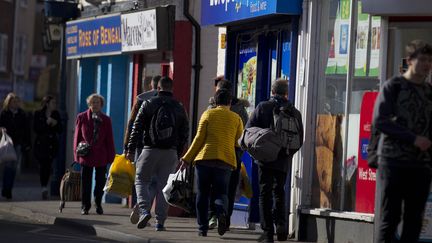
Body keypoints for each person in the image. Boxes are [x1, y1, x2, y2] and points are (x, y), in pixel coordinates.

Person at [373, 40, 432, 243]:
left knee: (414, 219)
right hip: (393, 161)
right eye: (422, 59)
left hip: (421, 164)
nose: (427, 65)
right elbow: (380, 121)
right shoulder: (394, 87)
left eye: (430, 61)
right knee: (390, 217)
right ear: (410, 61)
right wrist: (413, 138)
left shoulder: (429, 92)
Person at [126, 76, 189, 231]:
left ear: (158, 89)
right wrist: (179, 151)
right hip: (170, 152)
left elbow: (136, 127)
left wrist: (130, 149)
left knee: (141, 180)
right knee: (164, 186)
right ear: (171, 89)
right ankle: (160, 222)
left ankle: (145, 211)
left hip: (149, 149)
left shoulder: (148, 103)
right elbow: (185, 131)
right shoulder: (179, 106)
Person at [246, 79, 303, 243]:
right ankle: (282, 227)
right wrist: (287, 154)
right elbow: (300, 139)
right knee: (279, 191)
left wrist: (256, 151)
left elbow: (248, 132)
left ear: (272, 91)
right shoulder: (294, 112)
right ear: (286, 93)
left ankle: (268, 232)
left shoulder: (262, 107)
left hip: (264, 159)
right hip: (283, 159)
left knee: (265, 194)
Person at [181, 89, 244, 237]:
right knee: (221, 193)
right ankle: (221, 211)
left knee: (203, 194)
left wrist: (187, 158)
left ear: (215, 102)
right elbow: (238, 142)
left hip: (204, 160)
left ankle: (202, 228)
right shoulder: (236, 118)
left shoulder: (207, 114)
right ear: (230, 103)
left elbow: (198, 139)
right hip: (225, 161)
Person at [207, 78, 249, 230]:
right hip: (234, 154)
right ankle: (225, 218)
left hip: (213, 153)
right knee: (229, 188)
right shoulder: (241, 110)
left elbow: (203, 131)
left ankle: (212, 216)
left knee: (212, 186)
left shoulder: (211, 108)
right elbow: (245, 132)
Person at [123, 75, 162, 225]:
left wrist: (128, 146)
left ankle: (142, 208)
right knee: (153, 182)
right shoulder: (168, 101)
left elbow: (132, 123)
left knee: (142, 179)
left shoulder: (141, 99)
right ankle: (142, 208)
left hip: (141, 146)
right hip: (160, 147)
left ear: (151, 85)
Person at [73, 94, 115, 215]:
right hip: (86, 154)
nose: (95, 105)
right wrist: (76, 155)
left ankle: (98, 203)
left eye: (97, 103)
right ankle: (85, 206)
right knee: (86, 182)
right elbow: (77, 137)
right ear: (89, 104)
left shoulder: (106, 120)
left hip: (101, 155)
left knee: (100, 181)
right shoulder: (81, 117)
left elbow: (109, 140)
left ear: (101, 105)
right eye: (93, 102)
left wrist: (111, 158)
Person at [0, 93, 31, 199]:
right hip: (7, 143)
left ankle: (8, 189)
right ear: (9, 103)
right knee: (8, 165)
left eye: (17, 101)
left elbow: (27, 129)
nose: (16, 104)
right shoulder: (4, 113)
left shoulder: (22, 114)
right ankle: (6, 189)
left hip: (18, 143)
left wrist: (27, 143)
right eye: (13, 102)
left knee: (14, 167)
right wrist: (2, 129)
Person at [33, 95, 62, 200]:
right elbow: (36, 129)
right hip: (41, 144)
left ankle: (45, 187)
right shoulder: (38, 114)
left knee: (48, 166)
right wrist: (46, 123)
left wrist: (55, 123)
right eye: (53, 103)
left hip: (51, 144)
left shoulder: (56, 114)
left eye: (55, 103)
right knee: (42, 165)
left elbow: (60, 130)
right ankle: (44, 187)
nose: (55, 105)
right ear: (47, 104)